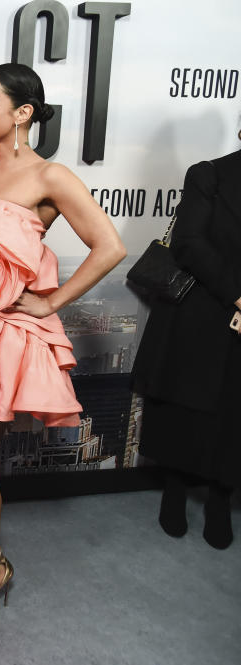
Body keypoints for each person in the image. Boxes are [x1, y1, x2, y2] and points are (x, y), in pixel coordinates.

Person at [0, 63, 126, 619]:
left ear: (22, 113)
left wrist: (49, 301)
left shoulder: (50, 177)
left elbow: (109, 246)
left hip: (7, 338)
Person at [131, 140, 241, 550]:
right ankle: (173, 492)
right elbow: (189, 243)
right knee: (183, 408)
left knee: (235, 415)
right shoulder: (208, 173)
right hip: (199, 312)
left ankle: (220, 500)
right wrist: (237, 295)